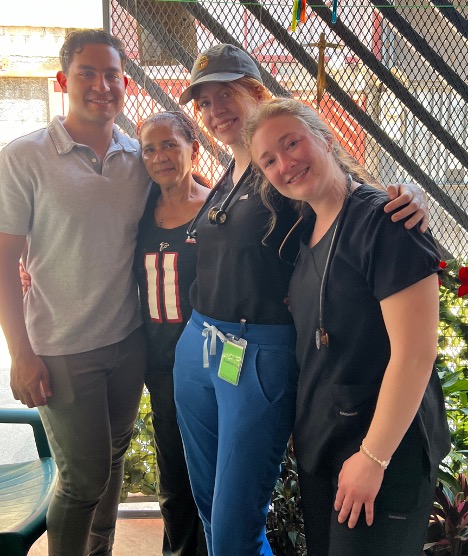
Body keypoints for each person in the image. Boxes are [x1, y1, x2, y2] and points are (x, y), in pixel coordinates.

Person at [173, 43, 431, 556]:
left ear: (257, 92)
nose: (215, 109)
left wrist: (408, 196)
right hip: (206, 348)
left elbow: (348, 196)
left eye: (227, 93)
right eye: (204, 103)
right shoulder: (228, 177)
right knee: (208, 503)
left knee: (233, 523)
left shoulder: (292, 195)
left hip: (256, 351)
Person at [245, 97, 451, 556]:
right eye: (269, 161)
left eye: (292, 143)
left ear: (326, 138)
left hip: (383, 453)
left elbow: (416, 354)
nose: (285, 164)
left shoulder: (388, 222)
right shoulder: (302, 232)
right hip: (327, 451)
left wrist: (373, 459)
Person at [0, 29, 150, 555]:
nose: (101, 85)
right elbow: (3, 261)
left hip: (127, 342)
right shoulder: (24, 157)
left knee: (111, 462)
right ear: (64, 80)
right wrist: (21, 354)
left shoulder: (141, 158)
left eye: (112, 74)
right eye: (87, 72)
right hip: (60, 349)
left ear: (124, 84)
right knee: (83, 478)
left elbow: (199, 195)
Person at [134, 111, 209, 556]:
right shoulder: (138, 210)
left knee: (211, 471)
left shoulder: (218, 209)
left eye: (170, 145)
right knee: (174, 474)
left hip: (208, 366)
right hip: (159, 365)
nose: (159, 156)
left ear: (193, 148)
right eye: (149, 148)